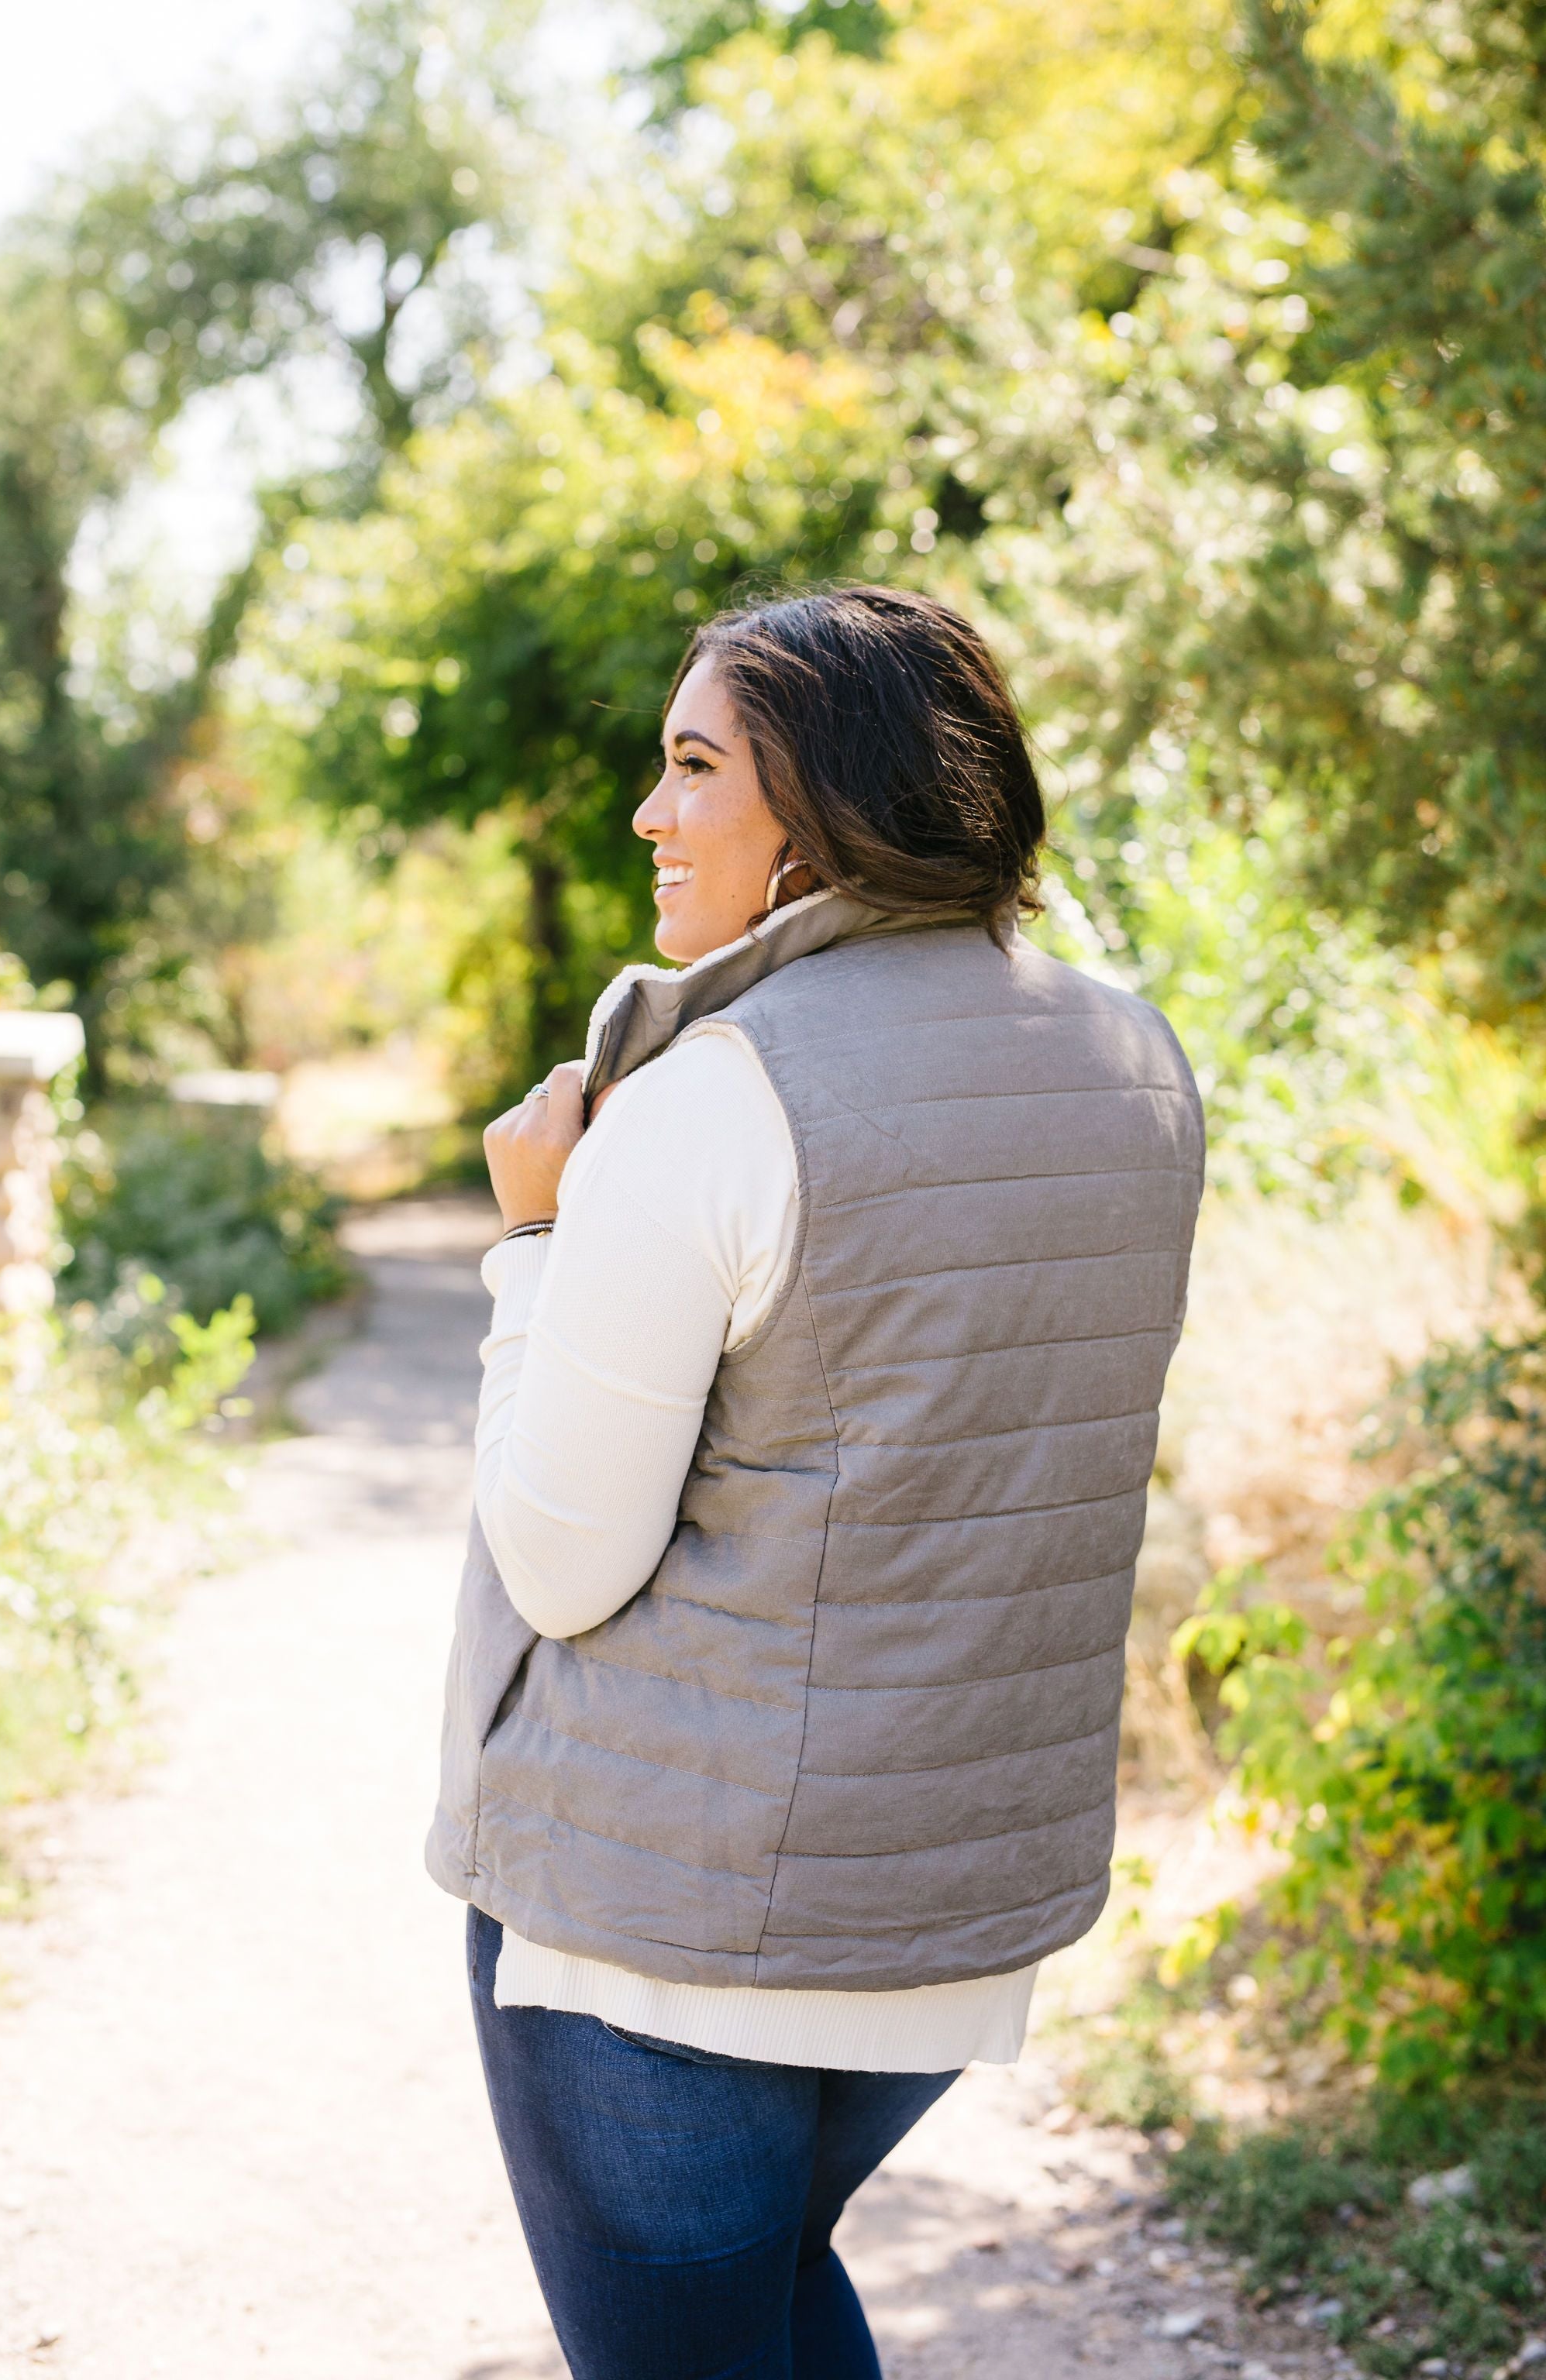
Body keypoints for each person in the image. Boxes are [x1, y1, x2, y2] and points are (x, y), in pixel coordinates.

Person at [426, 584, 1204, 2378]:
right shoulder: (1135, 1063)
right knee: (769, 2299)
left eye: (696, 765)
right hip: (952, 1926)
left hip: (659, 1939)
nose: (650, 811)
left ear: (825, 808)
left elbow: (559, 1562)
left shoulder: (715, 1096)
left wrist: (534, 1240)